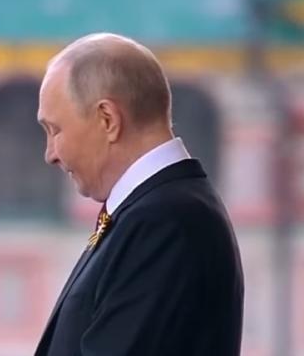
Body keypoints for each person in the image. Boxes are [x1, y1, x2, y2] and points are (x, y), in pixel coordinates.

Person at [34, 33, 244, 355]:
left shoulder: (165, 221)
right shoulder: (151, 211)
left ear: (108, 119)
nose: (50, 154)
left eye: (55, 130)